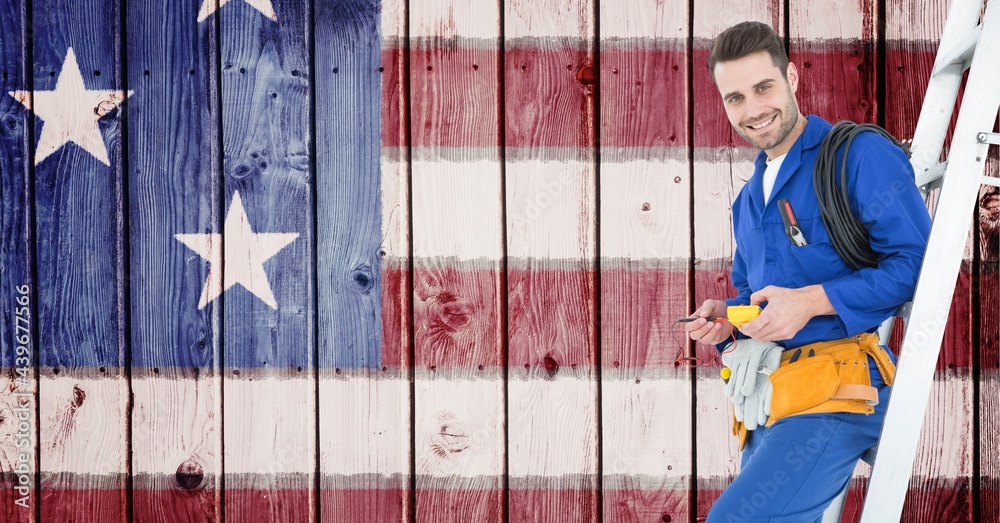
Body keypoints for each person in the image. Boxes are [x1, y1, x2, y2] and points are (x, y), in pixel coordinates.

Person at [684, 21, 931, 521]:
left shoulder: (859, 156)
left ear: (792, 78)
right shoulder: (747, 202)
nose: (753, 110)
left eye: (763, 87)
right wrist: (730, 317)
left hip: (838, 390)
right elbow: (757, 298)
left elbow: (918, 265)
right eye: (735, 98)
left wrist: (813, 300)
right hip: (775, 401)